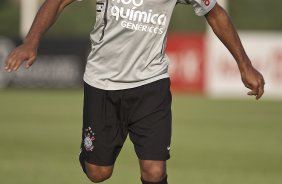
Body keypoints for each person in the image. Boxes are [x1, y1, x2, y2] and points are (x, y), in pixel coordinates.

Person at [4, 0, 265, 183]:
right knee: (98, 173)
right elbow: (58, 1)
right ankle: (90, 152)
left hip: (151, 84)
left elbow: (215, 13)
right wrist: (31, 41)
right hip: (103, 82)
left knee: (154, 170)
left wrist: (245, 65)